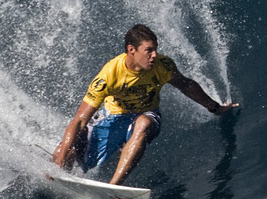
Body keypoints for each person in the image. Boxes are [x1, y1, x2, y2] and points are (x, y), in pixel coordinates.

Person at [52, 24, 237, 185]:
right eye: (149, 50)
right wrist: (60, 162)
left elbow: (186, 85)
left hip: (147, 113)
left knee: (143, 123)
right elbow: (79, 120)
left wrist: (215, 107)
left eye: (155, 49)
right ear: (132, 50)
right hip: (113, 116)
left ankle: (115, 186)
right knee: (66, 150)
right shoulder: (109, 75)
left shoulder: (162, 65)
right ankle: (58, 177)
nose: (154, 55)